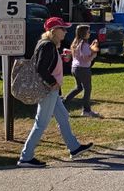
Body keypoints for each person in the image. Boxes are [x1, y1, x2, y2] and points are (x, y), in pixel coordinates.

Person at [17, 17, 93, 167]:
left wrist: (60, 58)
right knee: (41, 123)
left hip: (52, 89)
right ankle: (25, 157)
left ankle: (74, 148)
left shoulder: (49, 45)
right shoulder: (47, 46)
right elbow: (40, 68)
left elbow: (46, 64)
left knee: (63, 116)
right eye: (62, 29)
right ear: (53, 31)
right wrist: (52, 83)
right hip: (48, 89)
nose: (65, 31)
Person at [64, 25, 101, 118]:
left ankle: (62, 105)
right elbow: (86, 58)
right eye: (88, 32)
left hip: (75, 68)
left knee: (79, 88)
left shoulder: (75, 43)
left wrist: (91, 48)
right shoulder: (84, 45)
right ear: (83, 33)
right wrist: (94, 54)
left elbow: (81, 55)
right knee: (87, 89)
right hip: (83, 69)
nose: (89, 34)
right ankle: (86, 110)